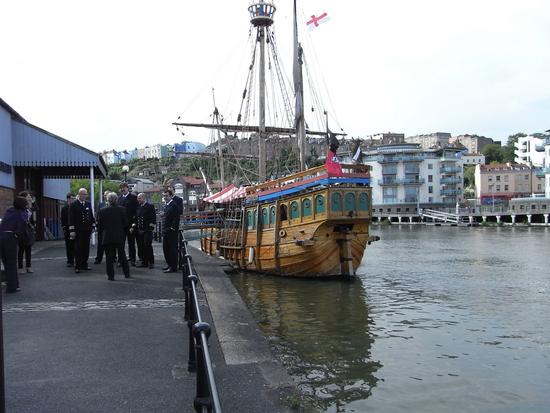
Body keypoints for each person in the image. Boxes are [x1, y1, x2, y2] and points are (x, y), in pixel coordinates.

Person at [97, 192, 130, 280]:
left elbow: (100, 225)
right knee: (122, 255)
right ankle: (127, 273)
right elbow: (125, 223)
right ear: (116, 200)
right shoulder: (122, 209)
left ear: (107, 200)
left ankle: (111, 276)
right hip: (119, 236)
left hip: (107, 236)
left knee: (109, 257)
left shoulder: (102, 210)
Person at [1, 197, 29, 293]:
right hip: (10, 237)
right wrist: (17, 235)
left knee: (6, 262)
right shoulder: (22, 213)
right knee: (12, 263)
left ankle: (11, 283)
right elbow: (22, 227)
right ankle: (12, 287)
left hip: (1, 236)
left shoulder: (9, 210)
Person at [68, 188, 95, 273]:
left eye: (85, 194)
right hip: (78, 230)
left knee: (86, 248)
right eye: (83, 194)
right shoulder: (73, 204)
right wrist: (72, 231)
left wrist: (93, 225)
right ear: (79, 194)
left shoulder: (88, 204)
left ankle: (84, 264)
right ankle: (78, 266)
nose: (84, 196)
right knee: (78, 248)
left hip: (87, 230)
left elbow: (91, 215)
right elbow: (71, 218)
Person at [133, 193, 156, 268]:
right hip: (139, 230)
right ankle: (144, 262)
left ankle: (151, 262)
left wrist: (150, 229)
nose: (137, 200)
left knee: (148, 246)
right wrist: (134, 227)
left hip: (147, 230)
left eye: (139, 198)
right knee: (141, 246)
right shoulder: (138, 207)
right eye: (137, 198)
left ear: (143, 198)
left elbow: (153, 219)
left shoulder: (150, 206)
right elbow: (136, 218)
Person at [118, 183, 138, 266]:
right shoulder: (119, 199)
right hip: (121, 225)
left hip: (130, 225)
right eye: (121, 188)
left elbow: (136, 212)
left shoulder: (133, 198)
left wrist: (133, 224)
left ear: (127, 188)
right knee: (120, 244)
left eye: (124, 188)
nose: (122, 189)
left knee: (131, 243)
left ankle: (132, 259)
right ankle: (121, 260)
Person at [17, 191, 36, 274]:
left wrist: (33, 202)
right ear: (23, 197)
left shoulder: (29, 207)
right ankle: (20, 267)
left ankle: (29, 266)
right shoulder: (19, 207)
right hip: (22, 230)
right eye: (28, 196)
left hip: (29, 230)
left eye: (30, 197)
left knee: (28, 248)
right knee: (21, 249)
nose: (30, 198)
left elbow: (36, 209)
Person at [162, 189, 179, 273]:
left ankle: (173, 267)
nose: (165, 197)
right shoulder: (167, 205)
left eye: (166, 196)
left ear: (171, 196)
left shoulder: (174, 205)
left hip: (171, 232)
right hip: (166, 231)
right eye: (164, 196)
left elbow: (176, 218)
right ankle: (169, 265)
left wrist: (172, 228)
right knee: (166, 249)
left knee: (172, 250)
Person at [94, 190, 111, 264]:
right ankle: (98, 258)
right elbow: (97, 215)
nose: (105, 196)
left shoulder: (113, 204)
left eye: (107, 195)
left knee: (111, 244)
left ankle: (112, 258)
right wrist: (97, 225)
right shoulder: (100, 205)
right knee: (100, 244)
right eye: (104, 195)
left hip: (111, 228)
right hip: (102, 228)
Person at [60, 193, 75, 267]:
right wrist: (64, 228)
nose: (73, 200)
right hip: (67, 229)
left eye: (73, 198)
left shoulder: (75, 207)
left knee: (76, 245)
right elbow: (62, 219)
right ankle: (70, 261)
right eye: (71, 198)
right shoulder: (64, 208)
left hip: (75, 229)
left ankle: (77, 259)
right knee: (69, 245)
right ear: (68, 199)